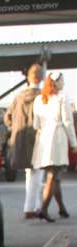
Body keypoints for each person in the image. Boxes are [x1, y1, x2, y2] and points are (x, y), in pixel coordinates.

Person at [32, 72, 77, 222]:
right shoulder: (62, 97)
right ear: (56, 83)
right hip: (57, 139)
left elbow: (35, 124)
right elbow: (68, 121)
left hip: (44, 139)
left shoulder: (39, 99)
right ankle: (43, 209)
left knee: (55, 175)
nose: (63, 83)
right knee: (53, 175)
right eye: (62, 81)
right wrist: (74, 142)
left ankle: (61, 208)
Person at [5, 64, 44, 219]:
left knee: (30, 173)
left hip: (20, 139)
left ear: (28, 77)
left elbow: (7, 116)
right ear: (41, 77)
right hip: (37, 139)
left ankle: (34, 205)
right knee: (38, 173)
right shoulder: (42, 96)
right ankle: (34, 206)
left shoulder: (19, 96)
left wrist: (15, 129)